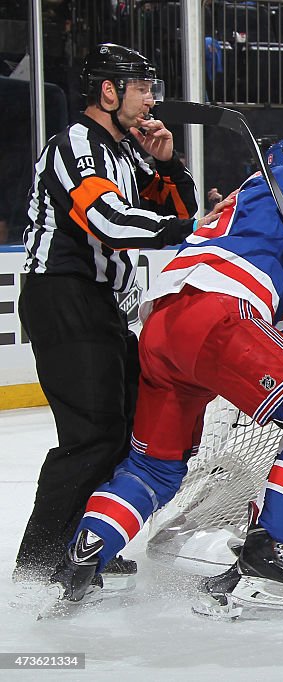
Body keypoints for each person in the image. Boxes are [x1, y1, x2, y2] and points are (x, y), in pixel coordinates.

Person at [47, 136, 283, 614]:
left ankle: (85, 555)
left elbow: (282, 324)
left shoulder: (242, 208)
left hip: (163, 327)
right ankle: (269, 553)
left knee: (153, 467)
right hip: (217, 316)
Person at [16, 44, 201, 587]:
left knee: (122, 430)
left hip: (99, 305)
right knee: (91, 434)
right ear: (107, 91)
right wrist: (184, 230)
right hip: (62, 296)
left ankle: (79, 545)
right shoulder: (76, 142)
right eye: (140, 88)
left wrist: (168, 163)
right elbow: (109, 220)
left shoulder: (127, 150)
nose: (150, 100)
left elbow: (177, 210)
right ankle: (39, 564)